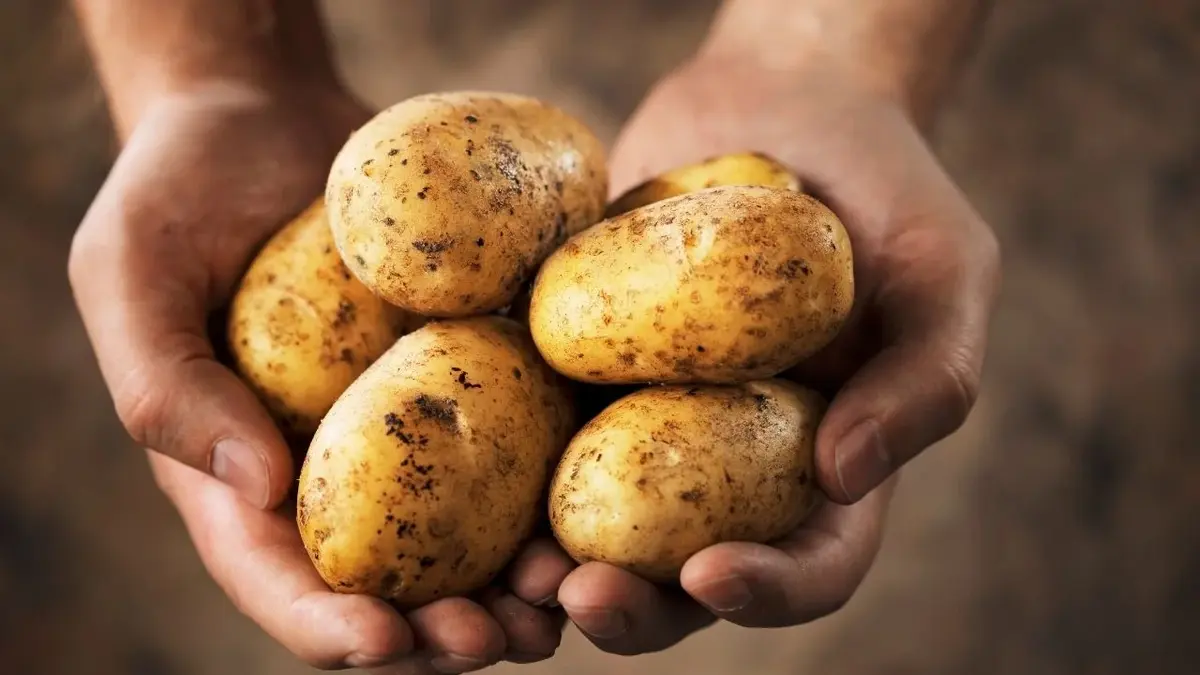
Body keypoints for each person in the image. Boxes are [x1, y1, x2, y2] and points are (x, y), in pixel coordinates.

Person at [67, 0, 1001, 672]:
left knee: (604, 496)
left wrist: (826, 56)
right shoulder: (502, 287)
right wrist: (211, 69)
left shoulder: (575, 297)